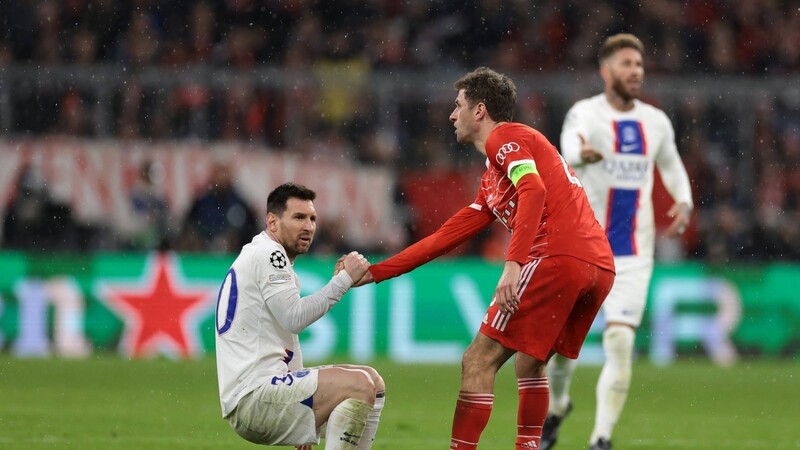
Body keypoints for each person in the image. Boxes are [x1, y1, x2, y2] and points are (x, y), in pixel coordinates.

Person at [356, 67, 615, 450]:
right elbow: (444, 238)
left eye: (457, 105)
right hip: (597, 266)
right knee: (531, 360)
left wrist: (514, 263)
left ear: (480, 111)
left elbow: (533, 189)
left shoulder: (504, 138)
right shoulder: (494, 176)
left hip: (555, 257)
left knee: (477, 360)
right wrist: (375, 272)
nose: (451, 115)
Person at [542, 34, 694, 450]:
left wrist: (684, 199)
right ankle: (557, 407)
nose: (636, 72)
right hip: (584, 249)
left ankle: (601, 438)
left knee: (621, 340)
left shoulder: (656, 122)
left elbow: (671, 164)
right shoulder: (584, 114)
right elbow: (567, 147)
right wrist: (580, 153)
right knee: (560, 348)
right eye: (627, 64)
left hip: (632, 253)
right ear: (606, 71)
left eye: (640, 65)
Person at [214, 182, 385, 449]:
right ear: (272, 222)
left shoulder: (265, 255)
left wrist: (303, 401)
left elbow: (287, 339)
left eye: (312, 218)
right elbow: (294, 318)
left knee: (374, 382)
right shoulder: (270, 255)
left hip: (260, 391)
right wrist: (344, 280)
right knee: (359, 384)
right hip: (254, 396)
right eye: (298, 217)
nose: (308, 226)